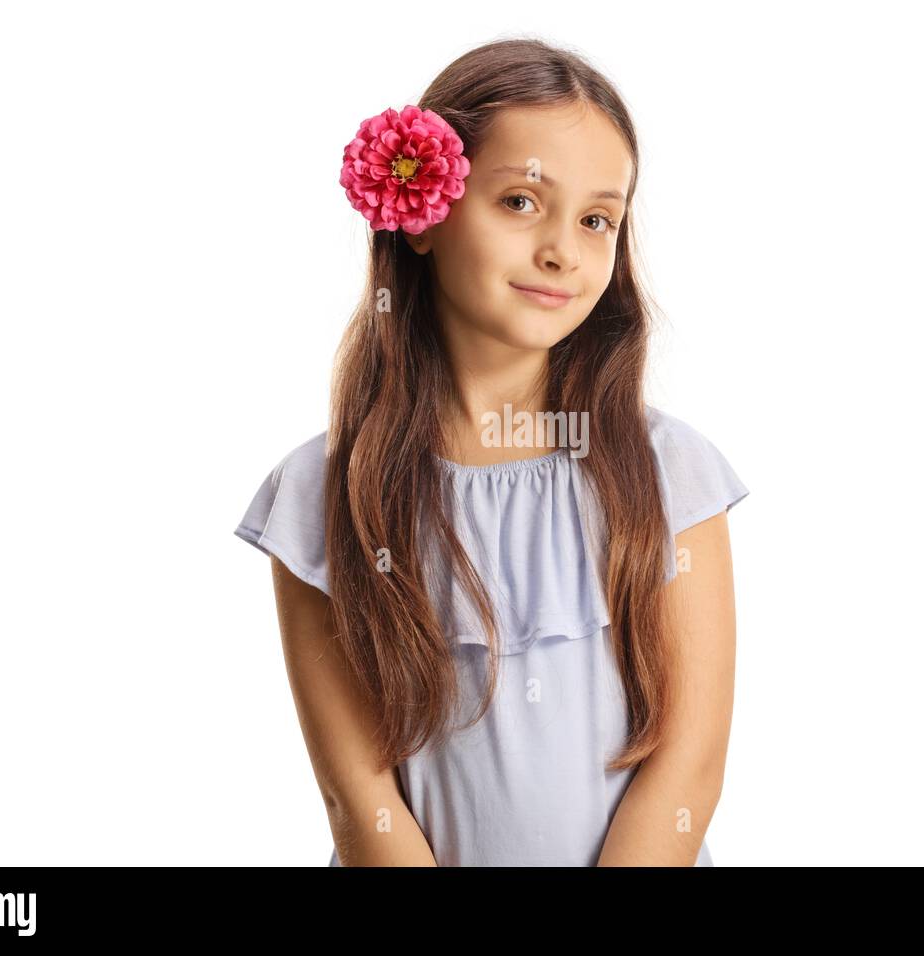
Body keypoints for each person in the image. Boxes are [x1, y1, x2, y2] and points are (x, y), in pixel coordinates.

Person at [234, 37, 748, 866]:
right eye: (519, 202)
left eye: (596, 220)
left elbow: (687, 773)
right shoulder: (323, 493)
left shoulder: (669, 474)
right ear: (425, 216)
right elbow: (357, 798)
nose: (562, 250)